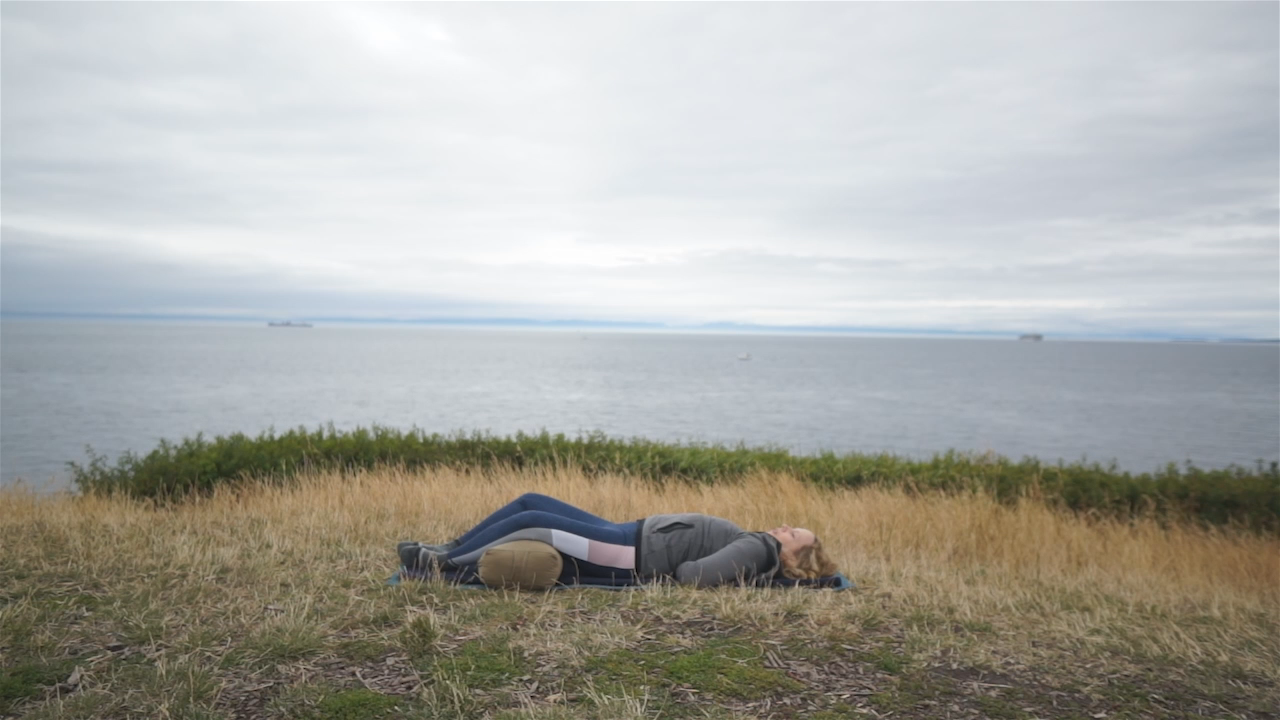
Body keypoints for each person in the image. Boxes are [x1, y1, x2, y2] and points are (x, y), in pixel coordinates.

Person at [398, 492, 838, 587]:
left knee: (534, 521)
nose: (784, 527)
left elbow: (692, 576)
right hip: (628, 532)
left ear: (794, 556)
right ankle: (447, 548)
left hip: (631, 551)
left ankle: (444, 564)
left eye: (793, 533)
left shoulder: (758, 548)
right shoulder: (757, 543)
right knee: (529, 501)